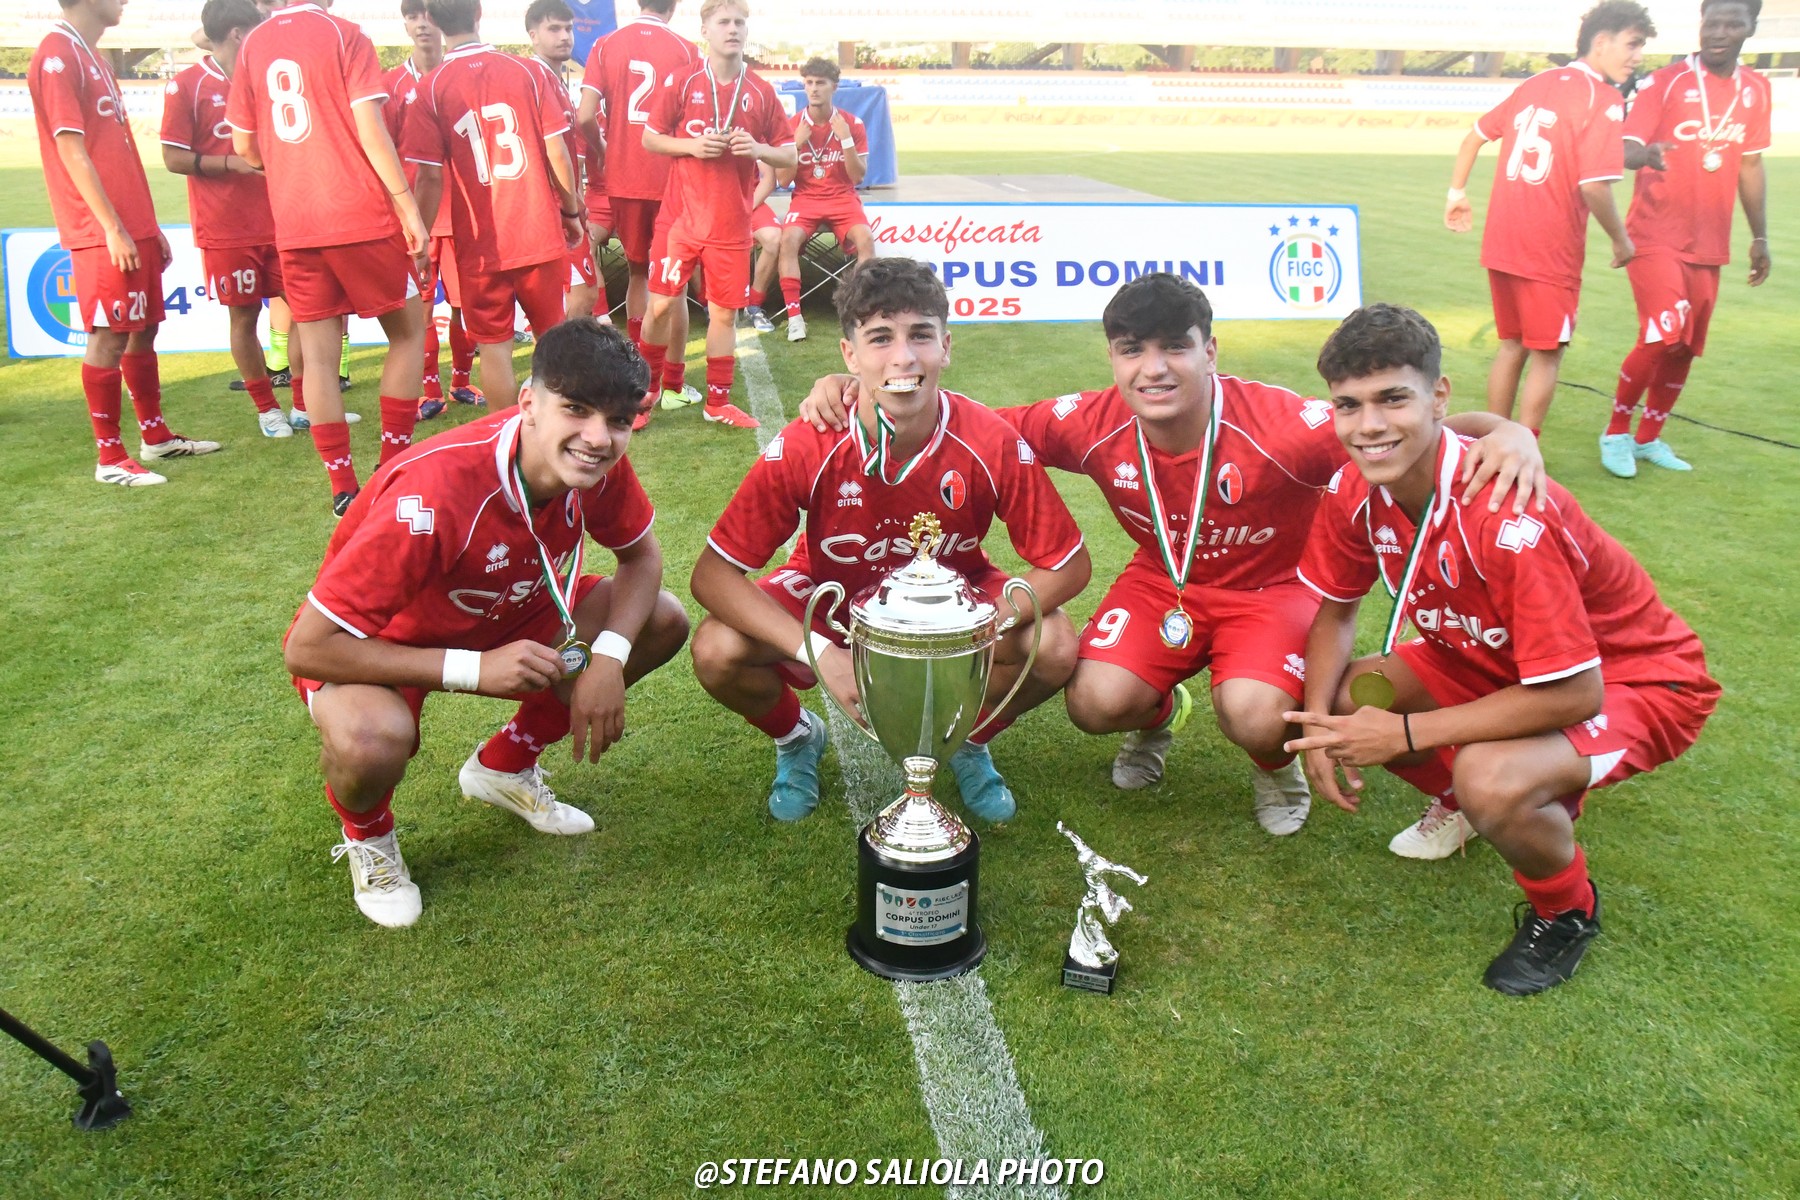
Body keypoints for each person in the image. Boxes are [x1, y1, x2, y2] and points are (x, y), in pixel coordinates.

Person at [797, 274, 1545, 844]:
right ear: (1113, 358)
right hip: (1165, 584)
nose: (1153, 369)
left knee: (1253, 714)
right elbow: (965, 422)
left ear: (1209, 351)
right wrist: (852, 385)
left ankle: (1274, 765)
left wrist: (1507, 431)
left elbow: (1401, 429)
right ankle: (1158, 716)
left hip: (1273, 590)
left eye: (1175, 348)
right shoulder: (1089, 421)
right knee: (1095, 702)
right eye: (1133, 351)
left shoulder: (1282, 426)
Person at [1286, 304, 1718, 995]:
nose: (1368, 425)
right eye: (1349, 405)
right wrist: (1318, 729)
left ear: (1439, 395)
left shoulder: (1506, 512)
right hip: (1485, 658)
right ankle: (1471, 802)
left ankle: (1565, 910)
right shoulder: (1355, 485)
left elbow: (1578, 693)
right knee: (1343, 697)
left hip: (1632, 679)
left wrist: (1403, 735)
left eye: (1392, 398)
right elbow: (1336, 612)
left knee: (1490, 776)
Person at [282, 318, 691, 928]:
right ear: (528, 403)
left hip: (508, 608)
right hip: (385, 642)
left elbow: (642, 558)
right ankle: (369, 836)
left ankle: (504, 765)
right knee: (370, 740)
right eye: (576, 409)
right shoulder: (434, 494)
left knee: (660, 620)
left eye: (617, 421)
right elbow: (308, 648)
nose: (597, 438)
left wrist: (607, 657)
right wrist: (473, 669)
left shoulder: (597, 463)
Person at [690, 257, 1090, 823]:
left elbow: (1068, 565)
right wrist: (819, 652)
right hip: (832, 597)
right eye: (880, 338)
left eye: (920, 335)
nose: (903, 357)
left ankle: (969, 737)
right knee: (716, 649)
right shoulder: (812, 440)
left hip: (951, 602)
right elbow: (711, 576)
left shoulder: (988, 439)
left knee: (1054, 646)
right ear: (850, 355)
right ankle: (797, 736)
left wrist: (974, 630)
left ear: (946, 346)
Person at [228, 0, 428, 516]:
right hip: (359, 213)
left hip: (296, 222)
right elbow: (370, 128)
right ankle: (391, 468)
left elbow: (245, 146)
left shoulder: (252, 44)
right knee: (409, 333)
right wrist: (407, 205)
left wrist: (291, 165)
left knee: (317, 357)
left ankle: (342, 487)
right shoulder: (342, 33)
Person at [32, 0, 221, 487]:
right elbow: (71, 148)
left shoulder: (92, 55)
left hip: (130, 221)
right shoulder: (58, 54)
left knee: (144, 327)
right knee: (109, 334)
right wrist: (112, 227)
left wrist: (145, 224)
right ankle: (110, 457)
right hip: (99, 227)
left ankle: (155, 437)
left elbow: (116, 149)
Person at [1445, 1, 1653, 432]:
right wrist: (1621, 240)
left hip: (1503, 241)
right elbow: (1594, 186)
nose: (1637, 56)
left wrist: (1456, 193)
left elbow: (1473, 138)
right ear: (1601, 41)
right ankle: (1525, 449)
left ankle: (1491, 442)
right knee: (1548, 353)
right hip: (1548, 248)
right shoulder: (1603, 97)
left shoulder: (1535, 83)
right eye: (1632, 44)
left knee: (1511, 346)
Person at [1601, 0, 1772, 477]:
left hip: (1709, 242)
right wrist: (1643, 155)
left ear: (1750, 28)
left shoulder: (1757, 89)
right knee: (1662, 332)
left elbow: (1751, 165)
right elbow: (1625, 147)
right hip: (1654, 234)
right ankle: (1615, 432)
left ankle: (1648, 438)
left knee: (1685, 346)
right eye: (1711, 22)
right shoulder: (1665, 81)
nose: (1719, 31)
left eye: (1732, 23)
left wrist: (1760, 236)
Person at [403, 0, 582, 406]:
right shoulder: (527, 71)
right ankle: (555, 429)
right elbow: (557, 152)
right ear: (479, 12)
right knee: (552, 340)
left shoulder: (431, 87)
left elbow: (429, 177)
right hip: (536, 230)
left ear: (433, 20)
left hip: (480, 243)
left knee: (494, 347)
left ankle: (502, 434)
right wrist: (570, 210)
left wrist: (420, 237)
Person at [640, 0, 796, 431]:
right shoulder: (683, 80)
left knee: (724, 314)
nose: (733, 29)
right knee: (660, 306)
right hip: (680, 219)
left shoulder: (760, 91)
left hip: (730, 224)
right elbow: (651, 138)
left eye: (740, 22)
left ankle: (717, 402)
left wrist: (759, 149)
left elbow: (789, 155)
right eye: (724, 22)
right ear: (705, 30)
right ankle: (644, 394)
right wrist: (691, 146)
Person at [160, 0, 292, 439]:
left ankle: (307, 404)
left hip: (284, 219)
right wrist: (231, 164)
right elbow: (173, 158)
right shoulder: (187, 85)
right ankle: (267, 410)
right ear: (238, 33)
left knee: (307, 311)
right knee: (244, 316)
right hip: (226, 228)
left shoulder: (268, 78)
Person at [577, 0, 698, 410]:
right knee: (673, 282)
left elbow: (585, 115)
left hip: (623, 177)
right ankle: (674, 384)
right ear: (673, 6)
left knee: (638, 272)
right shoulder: (685, 49)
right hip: (669, 179)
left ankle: (636, 371)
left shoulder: (605, 45)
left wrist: (605, 150)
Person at [381, 0, 463, 421]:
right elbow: (382, 153)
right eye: (413, 16)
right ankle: (429, 389)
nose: (422, 24)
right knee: (421, 306)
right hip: (416, 216)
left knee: (467, 305)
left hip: (464, 212)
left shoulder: (459, 75)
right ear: (404, 24)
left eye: (428, 15)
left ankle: (461, 380)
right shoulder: (390, 85)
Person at [772, 56, 873, 342]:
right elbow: (783, 181)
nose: (814, 89)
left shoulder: (851, 124)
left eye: (821, 83)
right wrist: (796, 144)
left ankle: (860, 311)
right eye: (809, 83)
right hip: (806, 199)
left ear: (834, 87)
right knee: (788, 239)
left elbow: (857, 177)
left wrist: (846, 140)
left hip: (843, 198)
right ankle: (795, 317)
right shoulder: (792, 126)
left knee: (866, 240)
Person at [524, 0, 602, 322]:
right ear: (533, 35)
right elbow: (551, 153)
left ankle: (557, 354)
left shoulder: (554, 80)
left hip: (563, 206)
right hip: (549, 211)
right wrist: (569, 209)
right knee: (581, 294)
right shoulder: (535, 77)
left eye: (568, 28)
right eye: (553, 29)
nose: (564, 36)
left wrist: (578, 203)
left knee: (576, 295)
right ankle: (558, 356)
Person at [743, 162, 782, 333]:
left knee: (774, 238)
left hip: (749, 199)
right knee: (690, 237)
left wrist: (745, 210)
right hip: (711, 200)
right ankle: (707, 304)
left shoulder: (754, 141)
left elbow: (768, 179)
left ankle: (754, 305)